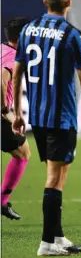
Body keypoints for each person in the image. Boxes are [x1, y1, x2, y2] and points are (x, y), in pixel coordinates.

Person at [12, 0, 81, 256]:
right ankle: (47, 242)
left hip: (38, 117)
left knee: (58, 176)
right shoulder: (72, 35)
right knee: (55, 179)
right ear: (68, 3)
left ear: (45, 2)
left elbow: (18, 70)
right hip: (61, 117)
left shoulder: (27, 30)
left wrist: (18, 113)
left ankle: (57, 236)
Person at [1, 17, 31, 220]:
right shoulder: (12, 57)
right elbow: (2, 81)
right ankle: (2, 202)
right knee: (22, 154)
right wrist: (5, 111)